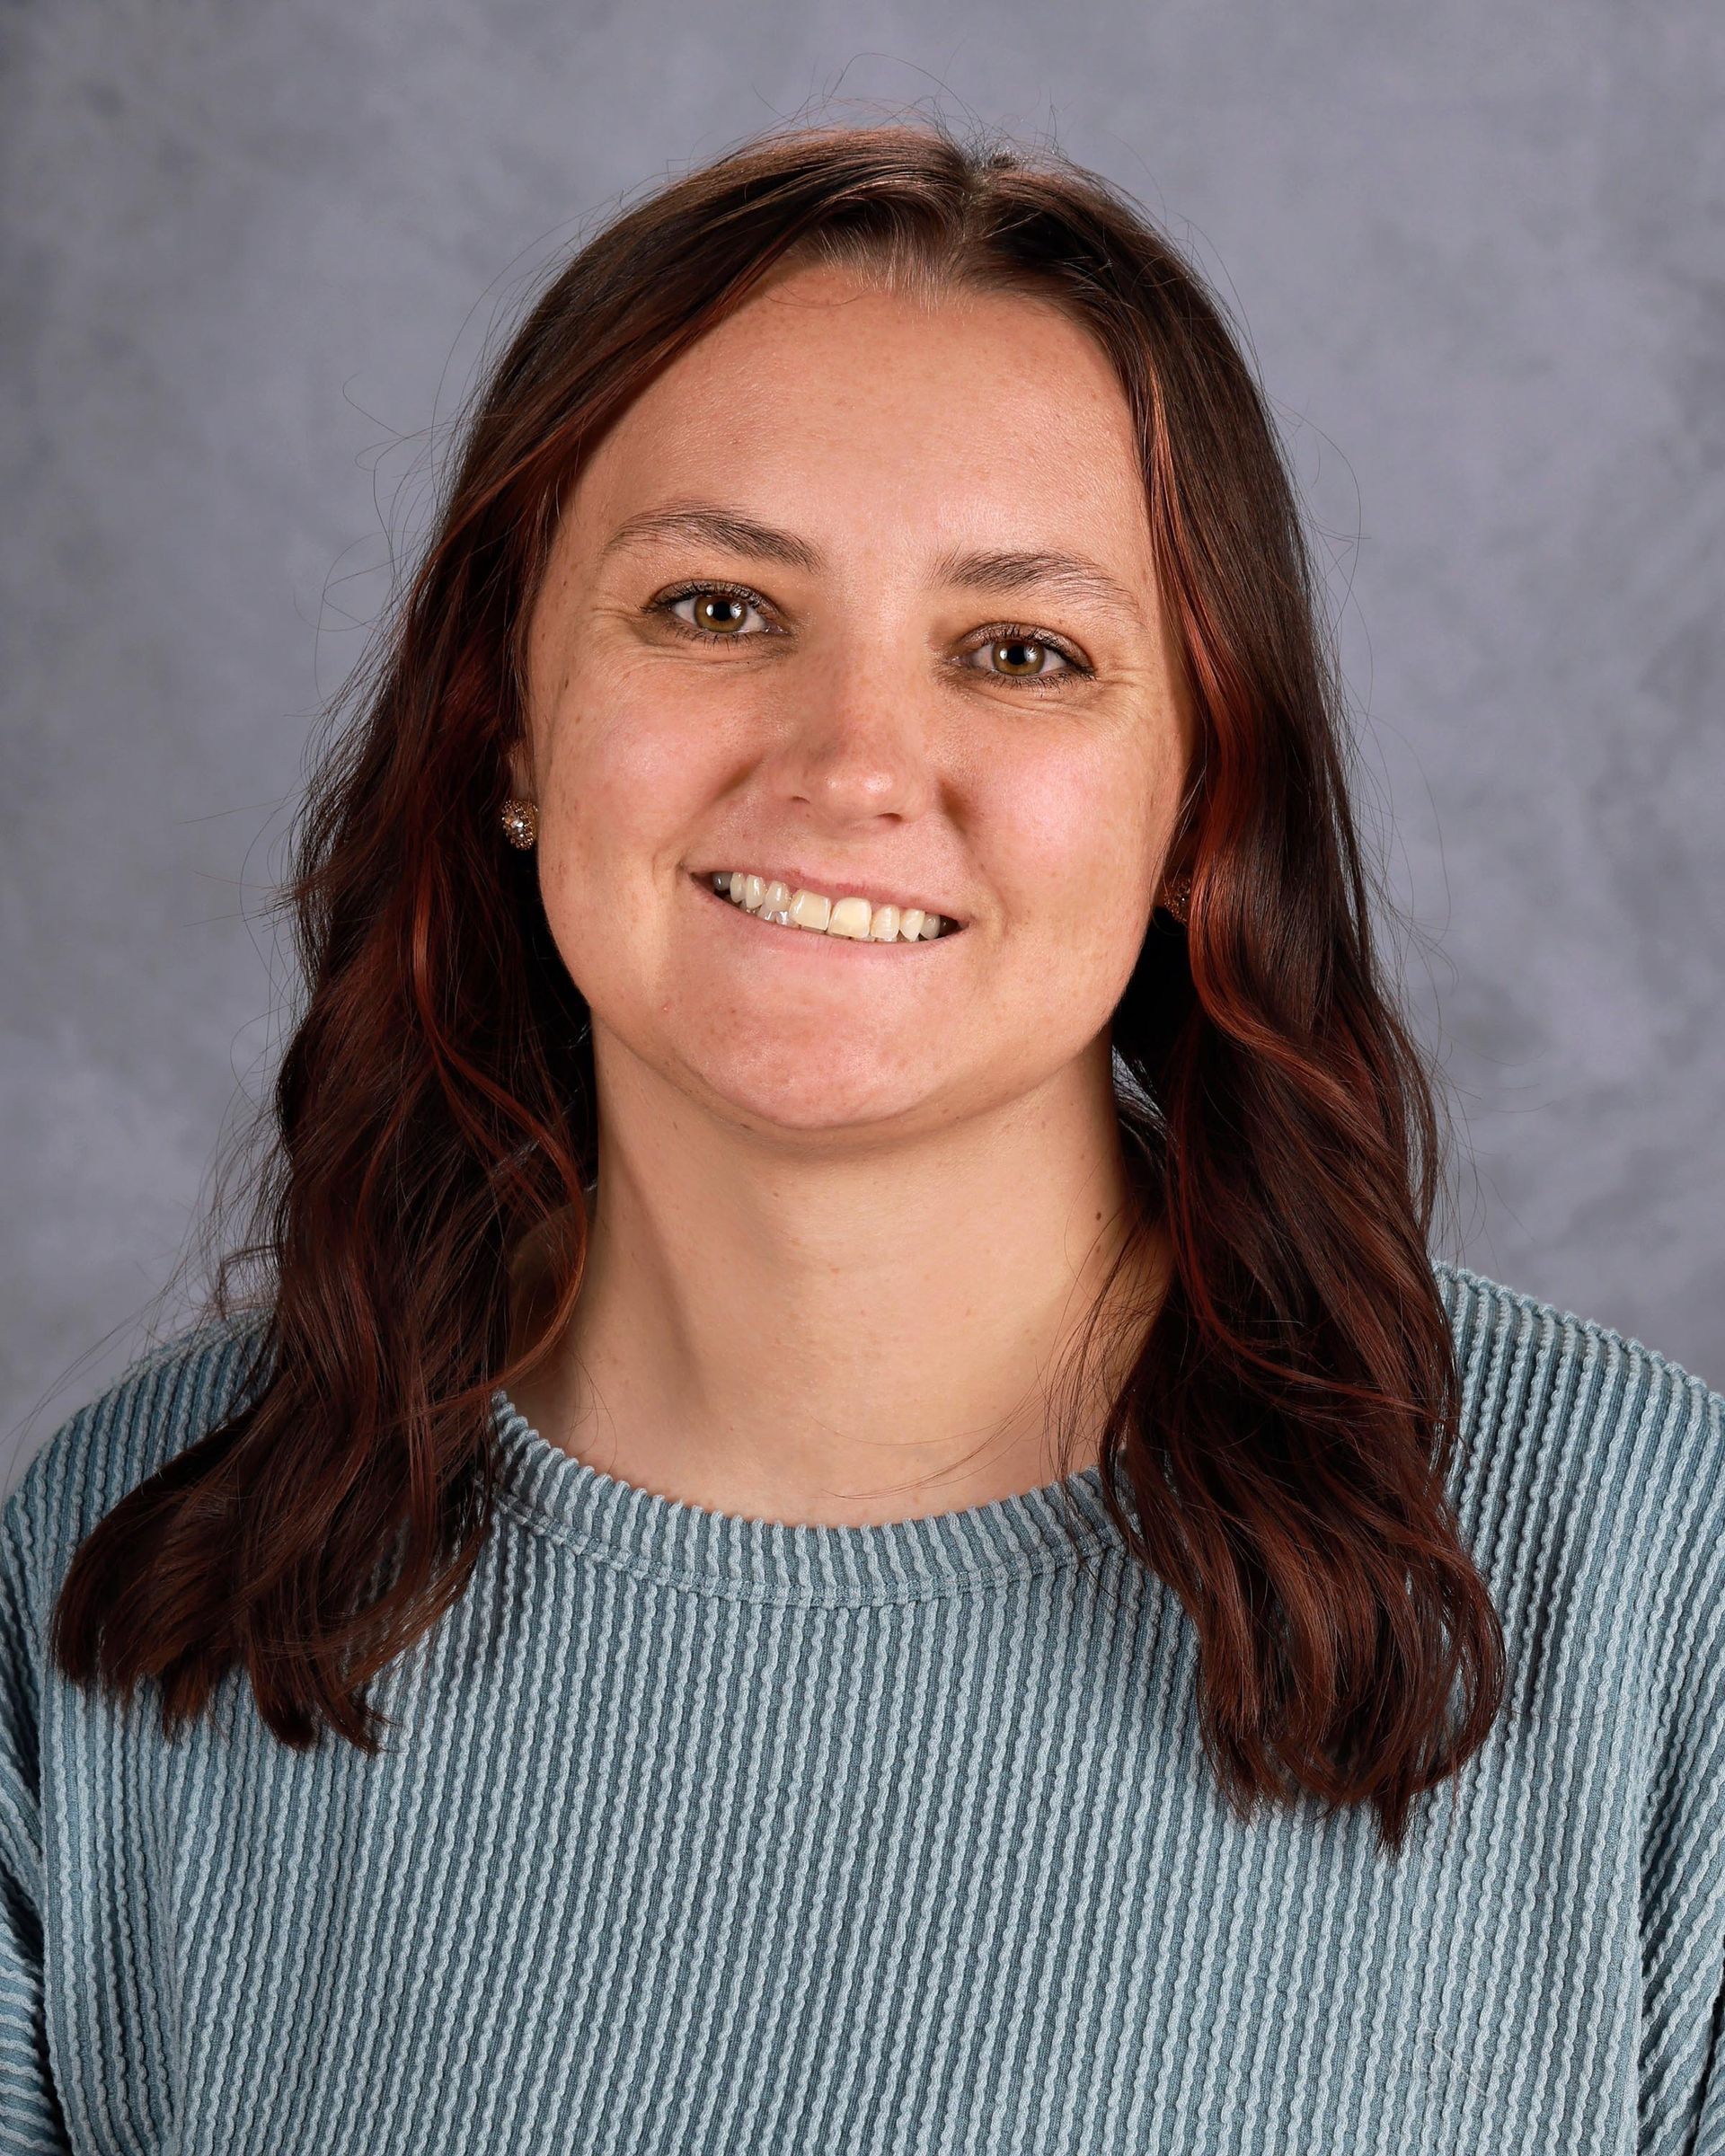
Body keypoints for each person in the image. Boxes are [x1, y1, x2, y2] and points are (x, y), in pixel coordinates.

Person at [3, 118, 1720, 2155]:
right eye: (717, 608)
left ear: (1203, 806)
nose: (851, 767)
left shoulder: (1644, 1580)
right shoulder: (135, 1580)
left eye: (1022, 652)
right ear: (506, 725)